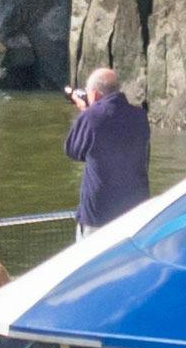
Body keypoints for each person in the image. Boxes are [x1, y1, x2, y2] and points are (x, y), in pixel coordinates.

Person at [66, 64, 154, 228]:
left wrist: (86, 112)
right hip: (135, 211)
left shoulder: (92, 116)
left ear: (94, 93)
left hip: (99, 214)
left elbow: (73, 150)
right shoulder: (140, 116)